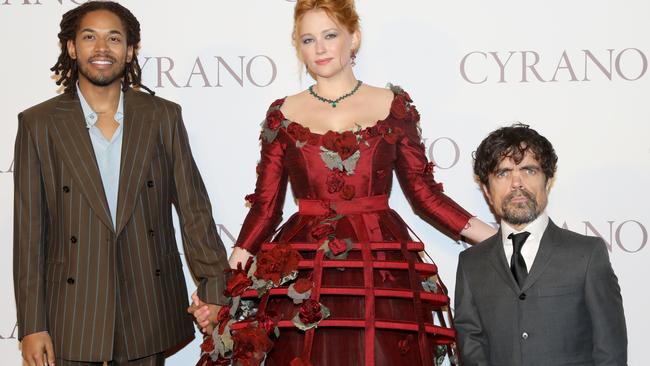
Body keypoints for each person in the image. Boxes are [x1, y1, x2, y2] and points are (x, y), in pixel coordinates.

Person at [191, 1, 495, 365]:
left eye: (330, 35)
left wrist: (500, 240)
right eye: (308, 39)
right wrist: (227, 280)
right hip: (301, 267)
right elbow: (267, 206)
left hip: (380, 263)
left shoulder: (392, 106)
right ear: (297, 47)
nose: (319, 48)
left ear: (354, 38)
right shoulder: (282, 114)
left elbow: (423, 193)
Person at [13, 2, 229, 365]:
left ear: (130, 50)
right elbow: (30, 233)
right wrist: (33, 325)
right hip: (71, 314)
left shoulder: (162, 117)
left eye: (114, 38)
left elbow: (194, 212)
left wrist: (216, 291)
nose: (101, 48)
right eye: (89, 37)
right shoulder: (39, 125)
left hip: (146, 307)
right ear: (71, 48)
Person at [454, 123, 627, 365]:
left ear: (547, 181)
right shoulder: (471, 263)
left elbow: (611, 353)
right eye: (503, 173)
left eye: (529, 170)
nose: (517, 183)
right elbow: (472, 348)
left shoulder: (587, 255)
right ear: (486, 190)